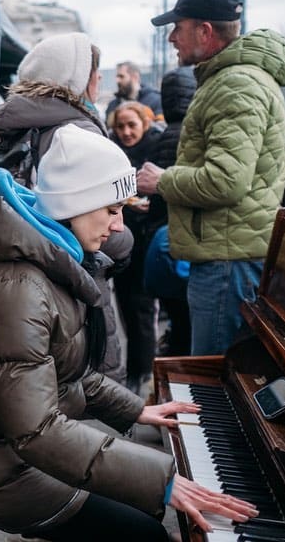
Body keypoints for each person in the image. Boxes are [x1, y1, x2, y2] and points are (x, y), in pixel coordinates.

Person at [0, 124, 257, 541]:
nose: (118, 227)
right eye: (111, 211)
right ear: (76, 204)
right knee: (143, 533)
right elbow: (36, 430)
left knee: (137, 508)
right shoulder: (19, 287)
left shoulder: (46, 255)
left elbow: (56, 369)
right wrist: (160, 481)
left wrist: (133, 410)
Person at [137, 0, 285, 356]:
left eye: (177, 27)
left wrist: (162, 180)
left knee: (216, 382)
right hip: (229, 254)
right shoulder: (231, 80)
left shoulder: (235, 84)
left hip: (227, 262)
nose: (172, 38)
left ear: (205, 31)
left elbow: (226, 181)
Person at [0, 31, 131, 384]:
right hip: (71, 280)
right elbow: (96, 227)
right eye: (94, 73)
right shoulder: (75, 133)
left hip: (33, 274)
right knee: (72, 395)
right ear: (77, 80)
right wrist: (124, 244)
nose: (98, 82)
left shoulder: (24, 126)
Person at [109, 101, 163, 392]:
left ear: (145, 123)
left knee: (142, 309)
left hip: (147, 242)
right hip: (120, 241)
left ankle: (140, 372)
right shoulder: (112, 152)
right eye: (121, 126)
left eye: (132, 125)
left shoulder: (156, 149)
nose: (127, 132)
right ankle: (137, 369)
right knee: (126, 307)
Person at [146, 66, 197, 355]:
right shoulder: (193, 137)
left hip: (163, 242)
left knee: (177, 317)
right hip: (184, 242)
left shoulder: (163, 136)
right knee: (187, 321)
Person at [105, 61, 164, 128]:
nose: (117, 81)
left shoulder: (155, 101)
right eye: (117, 77)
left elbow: (161, 128)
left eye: (121, 76)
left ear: (135, 77)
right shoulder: (112, 105)